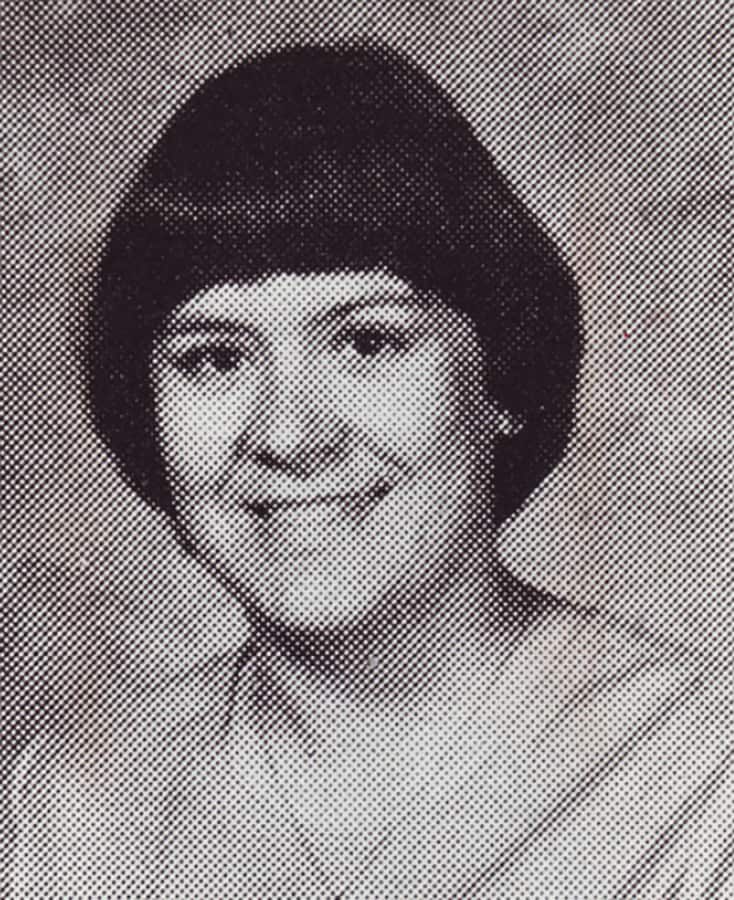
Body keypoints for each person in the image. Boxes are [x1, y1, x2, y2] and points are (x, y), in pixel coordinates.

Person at [8, 43, 734, 899]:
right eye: (214, 359)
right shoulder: (72, 803)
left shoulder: (703, 773)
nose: (289, 434)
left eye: (366, 342)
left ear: (501, 382)